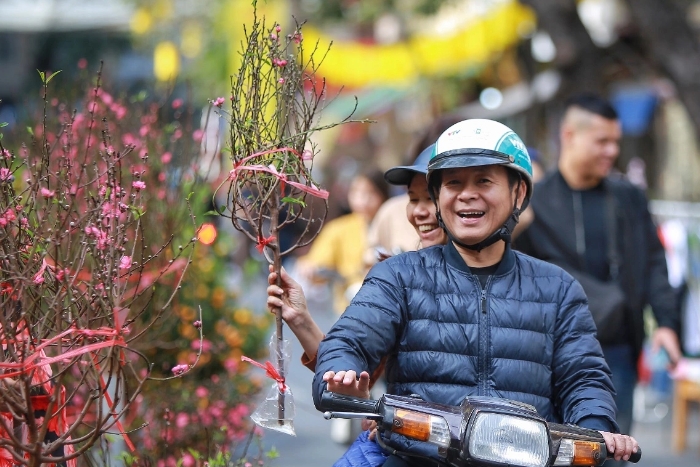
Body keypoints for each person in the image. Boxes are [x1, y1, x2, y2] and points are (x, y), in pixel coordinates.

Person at [312, 118, 639, 467]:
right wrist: (340, 372)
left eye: (484, 180)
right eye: (453, 182)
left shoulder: (557, 288)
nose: (467, 193)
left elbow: (584, 376)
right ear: (438, 196)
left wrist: (596, 427)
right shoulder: (398, 275)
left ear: (519, 193)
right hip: (417, 457)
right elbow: (348, 339)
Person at [514, 93, 682, 437]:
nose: (612, 151)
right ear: (569, 136)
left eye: (615, 142)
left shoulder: (628, 198)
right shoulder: (534, 203)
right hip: (551, 351)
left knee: (611, 446)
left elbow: (653, 260)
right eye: (602, 141)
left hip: (617, 348)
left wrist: (666, 323)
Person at [294, 168, 389, 314]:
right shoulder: (338, 229)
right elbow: (318, 263)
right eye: (356, 193)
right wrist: (309, 268)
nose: (362, 200)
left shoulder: (393, 224)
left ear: (383, 194)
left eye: (370, 193)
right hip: (348, 308)